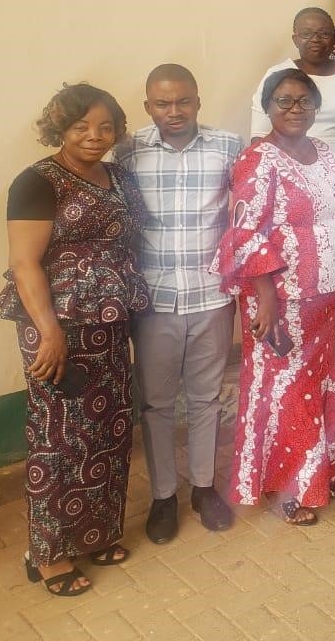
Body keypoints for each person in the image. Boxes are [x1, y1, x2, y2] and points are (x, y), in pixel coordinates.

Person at [0, 85, 148, 597]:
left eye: (105, 127)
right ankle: (47, 553)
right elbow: (24, 263)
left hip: (110, 322)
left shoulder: (119, 176)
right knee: (59, 439)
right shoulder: (37, 182)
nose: (94, 136)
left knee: (108, 430)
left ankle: (95, 533)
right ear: (59, 127)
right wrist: (49, 332)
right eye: (81, 126)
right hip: (56, 327)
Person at [212, 69, 335, 526]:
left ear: (316, 106)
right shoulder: (258, 159)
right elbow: (246, 233)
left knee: (319, 377)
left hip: (323, 289)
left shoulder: (323, 151)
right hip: (280, 295)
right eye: (284, 101)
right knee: (286, 387)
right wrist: (267, 301)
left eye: (304, 101)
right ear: (268, 107)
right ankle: (288, 488)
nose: (295, 109)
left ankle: (322, 470)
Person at [114, 65, 242, 545]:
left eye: (183, 101)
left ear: (198, 101)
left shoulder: (228, 147)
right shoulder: (127, 153)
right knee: (156, 403)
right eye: (163, 103)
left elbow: (245, 212)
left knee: (207, 397)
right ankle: (164, 496)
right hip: (154, 300)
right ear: (148, 106)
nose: (174, 111)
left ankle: (204, 488)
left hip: (212, 295)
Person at [249, 7, 335, 164]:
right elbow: (259, 136)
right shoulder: (277, 74)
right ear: (295, 40)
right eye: (306, 33)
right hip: (287, 166)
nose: (315, 39)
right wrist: (277, 169)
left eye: (324, 33)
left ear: (334, 39)